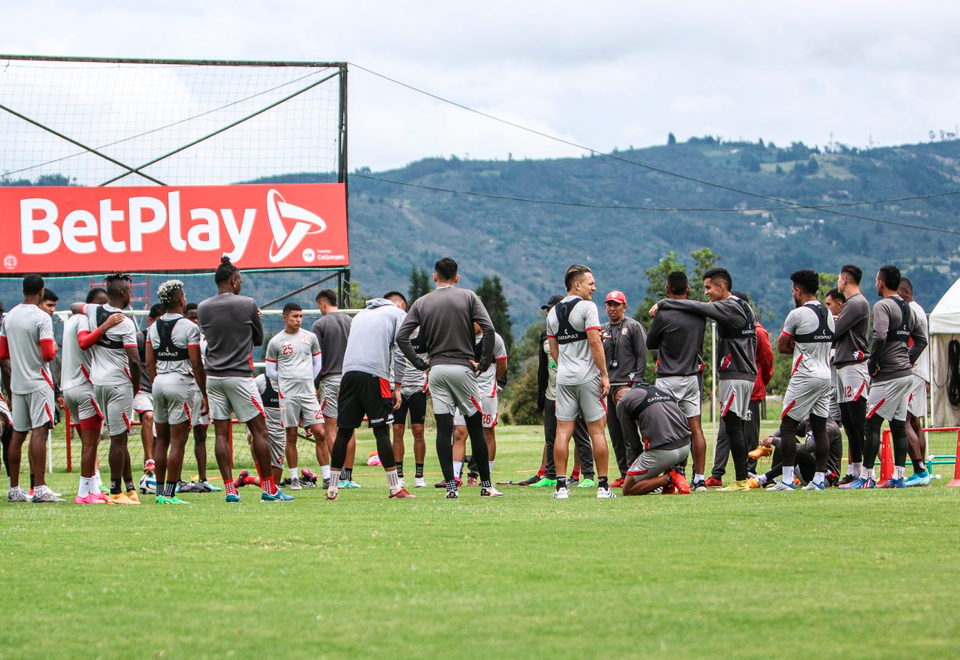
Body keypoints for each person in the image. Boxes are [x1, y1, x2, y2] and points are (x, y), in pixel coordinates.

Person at [397, 257, 502, 499]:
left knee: (445, 430)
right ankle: (486, 485)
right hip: (463, 368)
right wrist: (484, 363)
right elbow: (488, 329)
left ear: (435, 276)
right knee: (475, 428)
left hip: (436, 371)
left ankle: (451, 488)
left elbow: (402, 337)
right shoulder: (468, 297)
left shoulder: (422, 302)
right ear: (457, 277)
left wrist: (420, 363)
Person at [650, 267, 757, 492]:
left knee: (733, 427)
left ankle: (740, 480)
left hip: (734, 373)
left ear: (721, 286)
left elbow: (696, 306)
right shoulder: (744, 304)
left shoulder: (728, 305)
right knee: (730, 426)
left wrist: (663, 303)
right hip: (745, 374)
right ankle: (710, 477)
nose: (706, 293)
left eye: (708, 287)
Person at [198, 256, 291, 503]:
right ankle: (269, 489)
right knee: (260, 431)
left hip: (213, 378)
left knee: (220, 434)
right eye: (240, 280)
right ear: (234, 280)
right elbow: (259, 339)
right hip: (239, 376)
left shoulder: (203, 307)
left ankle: (230, 490)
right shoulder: (248, 304)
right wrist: (254, 318)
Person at [842, 265, 927, 489]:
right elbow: (921, 340)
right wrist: (907, 360)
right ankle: (898, 477)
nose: (875, 283)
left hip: (887, 375)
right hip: (905, 375)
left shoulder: (882, 306)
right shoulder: (907, 308)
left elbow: (879, 335)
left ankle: (866, 477)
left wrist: (873, 363)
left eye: (876, 280)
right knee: (898, 425)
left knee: (871, 424)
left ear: (881, 282)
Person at [326, 292, 414, 500]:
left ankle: (332, 489)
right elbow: (401, 352)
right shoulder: (398, 314)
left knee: (344, 432)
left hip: (348, 374)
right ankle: (395, 488)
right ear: (400, 304)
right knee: (381, 431)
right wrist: (398, 386)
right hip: (375, 374)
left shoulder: (360, 315)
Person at [544, 264, 614, 499]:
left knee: (562, 432)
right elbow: (595, 343)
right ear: (577, 284)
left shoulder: (553, 312)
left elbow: (554, 349)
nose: (594, 287)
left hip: (564, 378)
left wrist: (565, 365)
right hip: (587, 376)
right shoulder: (587, 307)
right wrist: (604, 375)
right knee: (596, 431)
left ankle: (561, 487)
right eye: (590, 283)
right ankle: (603, 487)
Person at [71, 274, 142, 505]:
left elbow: (74, 306)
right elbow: (134, 360)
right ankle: (115, 490)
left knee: (116, 436)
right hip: (119, 384)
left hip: (99, 383)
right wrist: (136, 386)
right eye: (129, 291)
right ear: (123, 293)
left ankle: (129, 487)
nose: (131, 295)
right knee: (119, 439)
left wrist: (97, 319)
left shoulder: (93, 311)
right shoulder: (125, 322)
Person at [766, 269, 836, 491]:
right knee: (819, 427)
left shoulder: (797, 314)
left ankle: (786, 480)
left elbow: (782, 345)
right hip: (826, 374)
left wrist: (796, 345)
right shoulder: (828, 314)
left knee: (787, 426)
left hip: (805, 374)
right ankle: (818, 480)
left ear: (797, 290)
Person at [145, 280, 207, 505]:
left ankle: (160, 492)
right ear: (181, 300)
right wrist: (205, 393)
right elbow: (196, 364)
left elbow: (149, 362)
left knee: (161, 441)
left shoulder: (153, 327)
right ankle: (170, 493)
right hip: (181, 383)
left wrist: (156, 383)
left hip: (159, 382)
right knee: (178, 442)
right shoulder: (190, 328)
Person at [0, 275, 61, 502]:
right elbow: (47, 354)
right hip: (38, 381)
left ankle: (14, 489)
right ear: (41, 292)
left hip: (18, 382)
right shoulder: (41, 317)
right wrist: (53, 348)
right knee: (40, 431)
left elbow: (3, 353)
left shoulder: (10, 316)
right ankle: (40, 487)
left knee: (18, 434)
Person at [647, 271, 709, 491]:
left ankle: (671, 476)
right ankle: (700, 478)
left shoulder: (663, 315)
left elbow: (650, 342)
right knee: (696, 428)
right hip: (692, 377)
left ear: (667, 289)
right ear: (688, 288)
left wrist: (660, 309)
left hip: (667, 378)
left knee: (665, 430)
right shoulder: (699, 313)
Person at [526, 294, 595, 488]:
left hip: (573, 388)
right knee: (551, 436)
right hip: (551, 392)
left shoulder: (573, 332)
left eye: (551, 309)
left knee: (580, 435)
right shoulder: (545, 335)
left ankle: (588, 475)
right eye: (547, 310)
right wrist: (541, 395)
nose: (549, 313)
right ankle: (550, 474)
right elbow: (543, 367)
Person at [706, 291, 772, 486]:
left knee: (747, 433)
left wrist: (761, 382)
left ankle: (748, 473)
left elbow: (767, 360)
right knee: (725, 432)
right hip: (732, 385)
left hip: (751, 390)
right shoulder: (730, 330)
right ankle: (717, 474)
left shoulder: (758, 331)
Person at [62, 287, 118, 504]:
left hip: (69, 388)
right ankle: (84, 493)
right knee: (90, 444)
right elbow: (85, 342)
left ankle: (94, 488)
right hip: (84, 387)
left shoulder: (70, 322)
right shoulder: (86, 319)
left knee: (88, 442)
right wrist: (106, 326)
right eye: (103, 305)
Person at [265, 302, 325, 491]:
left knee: (320, 432)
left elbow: (317, 364)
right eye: (294, 316)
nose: (298, 320)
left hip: (308, 393)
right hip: (288, 395)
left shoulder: (310, 337)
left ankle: (327, 476)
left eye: (300, 316)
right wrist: (285, 380)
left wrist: (308, 380)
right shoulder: (276, 341)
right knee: (291, 434)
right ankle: (294, 478)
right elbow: (270, 370)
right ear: (285, 317)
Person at [601, 290, 647, 486]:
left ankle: (635, 473)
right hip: (608, 386)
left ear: (624, 306)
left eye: (616, 304)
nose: (612, 308)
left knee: (630, 434)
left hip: (627, 386)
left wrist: (637, 382)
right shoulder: (602, 330)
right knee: (615, 434)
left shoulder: (633, 326)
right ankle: (622, 473)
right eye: (609, 304)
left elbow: (642, 355)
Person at [452, 323, 508, 484]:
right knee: (459, 433)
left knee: (487, 433)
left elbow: (503, 365)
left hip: (486, 393)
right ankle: (456, 477)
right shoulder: (461, 338)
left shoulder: (494, 338)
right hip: (464, 392)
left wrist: (490, 381)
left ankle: (486, 475)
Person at [614, 381, 691, 496]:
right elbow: (682, 421)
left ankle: (670, 478)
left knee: (628, 489)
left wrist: (641, 465)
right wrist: (681, 463)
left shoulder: (623, 402)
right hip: (685, 447)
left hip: (663, 452)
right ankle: (673, 476)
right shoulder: (664, 390)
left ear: (618, 399)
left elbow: (633, 441)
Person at [833, 265, 872, 486]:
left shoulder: (857, 303)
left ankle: (867, 473)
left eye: (839, 278)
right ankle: (855, 470)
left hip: (854, 366)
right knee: (848, 421)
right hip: (843, 365)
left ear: (845, 279)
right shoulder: (851, 304)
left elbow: (835, 332)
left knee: (857, 421)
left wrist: (833, 323)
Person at [311, 289, 350, 488]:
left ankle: (338, 475)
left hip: (331, 379)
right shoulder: (351, 321)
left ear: (323, 304)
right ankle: (348, 476)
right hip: (350, 379)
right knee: (349, 428)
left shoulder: (320, 324)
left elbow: (316, 359)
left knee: (330, 429)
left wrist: (314, 385)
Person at [897, 278, 933, 486]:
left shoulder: (910, 311)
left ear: (907, 292)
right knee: (916, 421)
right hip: (920, 372)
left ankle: (919, 469)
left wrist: (904, 363)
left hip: (913, 371)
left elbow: (914, 342)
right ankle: (922, 471)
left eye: (899, 295)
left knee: (904, 421)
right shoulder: (919, 310)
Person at [748, 417, 843, 489]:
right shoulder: (810, 420)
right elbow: (786, 430)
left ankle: (762, 479)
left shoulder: (829, 428)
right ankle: (772, 479)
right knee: (786, 437)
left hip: (825, 476)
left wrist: (774, 440)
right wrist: (768, 440)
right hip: (807, 469)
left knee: (793, 448)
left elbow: (807, 448)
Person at [183, 303, 216, 492]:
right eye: (191, 317)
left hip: (201, 390)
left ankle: (203, 479)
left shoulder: (206, 340)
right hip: (184, 389)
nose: (195, 321)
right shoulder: (180, 337)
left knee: (201, 433)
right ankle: (177, 479)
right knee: (179, 435)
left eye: (197, 318)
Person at [392, 327, 428, 488]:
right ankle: (399, 474)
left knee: (418, 431)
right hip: (398, 388)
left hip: (418, 388)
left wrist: (431, 378)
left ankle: (419, 475)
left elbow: (435, 356)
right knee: (397, 430)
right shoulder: (397, 334)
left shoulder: (426, 335)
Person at [135, 304, 162, 475]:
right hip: (142, 390)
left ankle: (152, 468)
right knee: (148, 416)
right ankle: (149, 460)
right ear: (150, 320)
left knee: (160, 432)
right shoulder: (139, 338)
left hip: (160, 391)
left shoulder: (168, 340)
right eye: (158, 322)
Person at [824, 288, 846, 424]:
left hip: (844, 381)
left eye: (828, 304)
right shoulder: (828, 323)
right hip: (831, 383)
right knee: (832, 423)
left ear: (839, 305)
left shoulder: (848, 323)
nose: (827, 308)